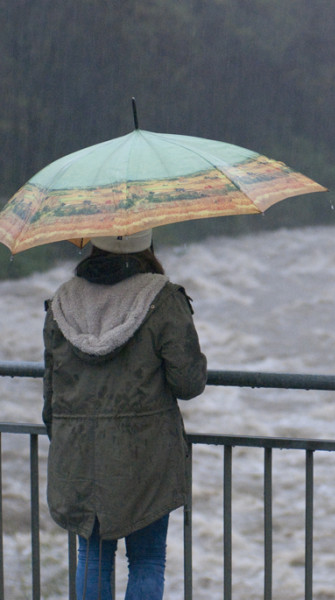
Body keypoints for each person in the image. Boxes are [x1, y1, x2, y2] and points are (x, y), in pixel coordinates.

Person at [42, 230, 207, 600]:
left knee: (94, 557)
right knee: (147, 560)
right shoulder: (162, 299)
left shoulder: (62, 302)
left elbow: (50, 398)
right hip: (145, 454)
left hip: (80, 453)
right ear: (147, 243)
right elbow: (188, 382)